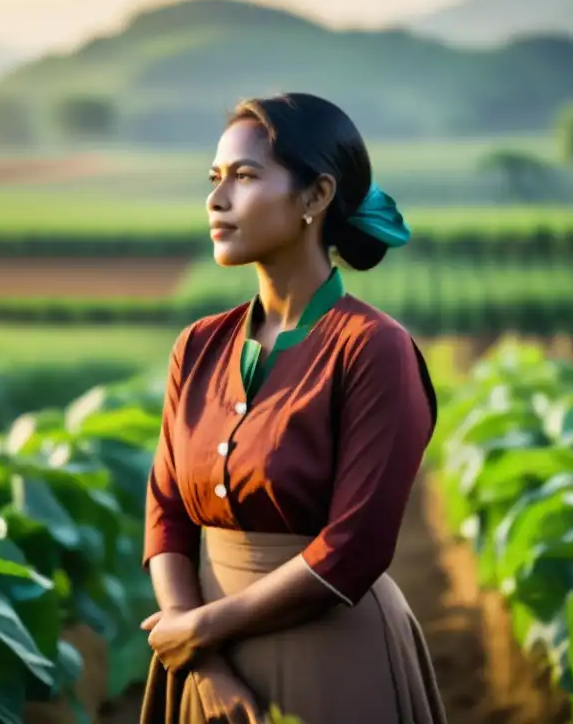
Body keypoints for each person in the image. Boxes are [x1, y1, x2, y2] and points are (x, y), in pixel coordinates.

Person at [138, 93, 445, 724]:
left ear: (315, 197)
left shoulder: (373, 350)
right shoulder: (196, 347)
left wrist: (199, 631)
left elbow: (354, 548)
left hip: (331, 662)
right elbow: (167, 512)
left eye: (245, 177)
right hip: (200, 670)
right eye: (215, 179)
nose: (217, 199)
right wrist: (201, 659)